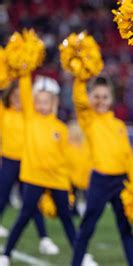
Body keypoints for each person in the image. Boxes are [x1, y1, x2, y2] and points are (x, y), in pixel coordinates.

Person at [0, 74, 75, 265]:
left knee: (64, 217)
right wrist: (24, 68)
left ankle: (78, 254)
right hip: (28, 172)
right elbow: (24, 91)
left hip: (54, 178)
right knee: (20, 211)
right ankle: (6, 253)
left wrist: (69, 185)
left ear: (54, 103)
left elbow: (66, 158)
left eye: (46, 102)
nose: (42, 105)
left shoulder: (61, 127)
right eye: (38, 102)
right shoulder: (27, 118)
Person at [71, 76, 133, 266]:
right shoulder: (88, 120)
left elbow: (128, 157)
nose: (100, 101)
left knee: (125, 228)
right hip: (100, 180)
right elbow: (78, 98)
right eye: (96, 96)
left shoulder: (119, 125)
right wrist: (80, 76)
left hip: (121, 182)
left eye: (105, 97)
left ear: (112, 99)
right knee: (87, 228)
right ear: (90, 97)